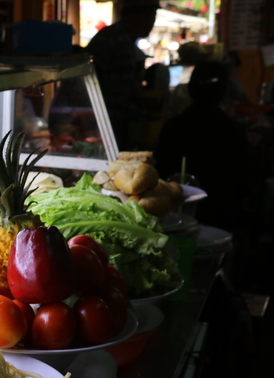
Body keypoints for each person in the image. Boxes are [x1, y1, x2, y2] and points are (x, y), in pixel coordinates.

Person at [154, 60, 251, 231]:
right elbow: (243, 184)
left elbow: (160, 175)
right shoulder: (232, 130)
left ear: (191, 89)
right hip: (222, 220)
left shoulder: (173, 127)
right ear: (223, 91)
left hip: (176, 221)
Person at [86, 0, 159, 150]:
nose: (152, 22)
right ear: (142, 15)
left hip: (106, 122)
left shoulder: (119, 36)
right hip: (105, 123)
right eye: (152, 15)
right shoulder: (119, 39)